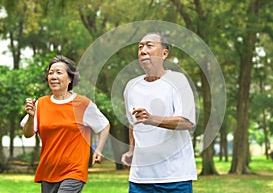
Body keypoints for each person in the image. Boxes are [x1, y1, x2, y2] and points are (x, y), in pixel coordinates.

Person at [21, 55, 110, 193]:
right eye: (50, 73)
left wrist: (98, 149)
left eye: (59, 72)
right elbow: (28, 134)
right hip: (49, 171)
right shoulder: (40, 103)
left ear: (70, 78)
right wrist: (31, 117)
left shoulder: (83, 104)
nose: (53, 76)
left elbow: (104, 126)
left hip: (74, 170)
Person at [121, 32, 197, 192]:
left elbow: (187, 122)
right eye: (140, 47)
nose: (143, 50)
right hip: (140, 178)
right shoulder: (131, 86)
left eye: (149, 45)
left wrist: (151, 119)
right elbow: (133, 122)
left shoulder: (178, 80)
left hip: (175, 176)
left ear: (164, 53)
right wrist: (131, 151)